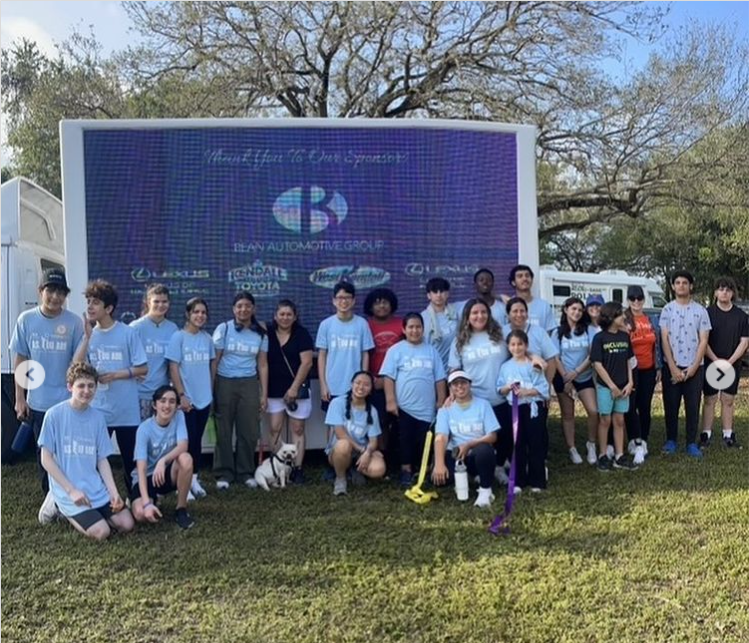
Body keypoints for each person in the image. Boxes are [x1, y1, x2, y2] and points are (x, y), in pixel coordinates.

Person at [37, 362, 135, 540]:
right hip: (68, 488)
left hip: (94, 487)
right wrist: (71, 490)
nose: (86, 391)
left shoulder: (98, 418)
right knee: (102, 532)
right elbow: (46, 459)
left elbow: (102, 460)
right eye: (81, 385)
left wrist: (114, 493)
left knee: (127, 524)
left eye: (91, 386)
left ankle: (94, 510)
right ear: (69, 387)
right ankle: (58, 505)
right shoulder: (53, 415)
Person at [10, 268, 84, 494]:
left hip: (66, 401)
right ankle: (49, 497)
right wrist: (20, 398)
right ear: (40, 291)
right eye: (50, 290)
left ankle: (67, 497)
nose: (55, 297)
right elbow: (21, 359)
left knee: (67, 452)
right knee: (45, 451)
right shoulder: (26, 320)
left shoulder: (74, 322)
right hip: (38, 401)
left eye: (61, 292)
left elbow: (78, 364)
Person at [73, 279, 148, 492]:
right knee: (94, 460)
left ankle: (135, 499)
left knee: (130, 462)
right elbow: (76, 367)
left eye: (95, 302)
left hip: (126, 412)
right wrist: (87, 338)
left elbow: (143, 369)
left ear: (109, 308)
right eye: (88, 301)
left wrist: (115, 375)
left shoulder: (127, 333)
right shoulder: (89, 334)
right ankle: (97, 501)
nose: (89, 306)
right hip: (98, 411)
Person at [379, 313, 447, 486]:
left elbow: (439, 378)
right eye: (411, 327)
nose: (415, 330)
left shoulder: (431, 351)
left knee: (424, 440)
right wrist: (390, 400)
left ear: (423, 329)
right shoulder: (396, 350)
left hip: (427, 408)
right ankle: (405, 470)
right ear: (404, 329)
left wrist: (441, 400)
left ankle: (422, 470)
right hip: (404, 407)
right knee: (404, 439)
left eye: (418, 327)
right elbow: (388, 378)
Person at [212, 291, 269, 489]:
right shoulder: (224, 329)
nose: (243, 309)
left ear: (253, 309)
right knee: (224, 430)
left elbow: (262, 364)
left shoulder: (260, 332)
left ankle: (245, 471)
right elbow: (215, 360)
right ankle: (224, 473)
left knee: (249, 430)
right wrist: (212, 388)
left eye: (247, 306)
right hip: (225, 382)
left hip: (249, 383)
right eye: (239, 306)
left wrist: (264, 393)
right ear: (233, 309)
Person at [166, 297, 216, 498]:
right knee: (185, 442)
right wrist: (181, 395)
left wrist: (210, 392)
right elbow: (173, 367)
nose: (200, 316)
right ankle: (181, 483)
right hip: (187, 401)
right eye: (196, 312)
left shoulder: (207, 339)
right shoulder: (178, 337)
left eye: (203, 312)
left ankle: (193, 479)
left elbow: (212, 365)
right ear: (188, 314)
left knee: (197, 442)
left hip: (204, 400)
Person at [659, 271, 711, 457]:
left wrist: (695, 366)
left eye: (685, 282)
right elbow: (664, 339)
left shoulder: (701, 311)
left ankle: (691, 442)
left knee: (693, 406)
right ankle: (671, 440)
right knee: (671, 405)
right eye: (678, 282)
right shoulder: (667, 310)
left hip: (695, 367)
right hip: (672, 366)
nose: (681, 285)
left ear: (691, 286)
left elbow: (703, 340)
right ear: (673, 286)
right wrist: (672, 367)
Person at [129, 385, 195, 530]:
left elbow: (183, 446)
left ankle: (181, 509)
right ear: (154, 405)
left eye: (172, 401)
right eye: (163, 401)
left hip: (165, 473)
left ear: (177, 406)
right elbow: (141, 469)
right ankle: (148, 500)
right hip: (146, 477)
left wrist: (163, 460)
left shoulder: (179, 417)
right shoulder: (144, 429)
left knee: (186, 458)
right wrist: (146, 504)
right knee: (140, 515)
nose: (167, 405)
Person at [431, 370, 500, 507]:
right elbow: (441, 437)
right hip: (456, 454)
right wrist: (439, 463)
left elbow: (493, 436)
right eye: (455, 384)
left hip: (476, 451)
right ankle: (469, 477)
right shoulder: (445, 409)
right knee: (441, 480)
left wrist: (469, 444)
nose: (460, 387)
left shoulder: (483, 405)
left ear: (470, 385)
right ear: (450, 388)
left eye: (463, 383)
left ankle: (486, 490)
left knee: (485, 450)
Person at [265, 299, 314, 484]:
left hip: (297, 390)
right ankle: (278, 467)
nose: (285, 318)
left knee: (297, 429)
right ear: (275, 316)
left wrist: (293, 388)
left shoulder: (301, 334)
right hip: (273, 389)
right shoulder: (267, 333)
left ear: (295, 317)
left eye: (289, 314)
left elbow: (307, 362)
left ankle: (297, 469)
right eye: (281, 314)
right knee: (274, 428)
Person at [497, 330, 551, 492]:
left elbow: (542, 387)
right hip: (514, 409)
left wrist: (527, 392)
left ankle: (537, 480)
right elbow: (499, 388)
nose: (516, 348)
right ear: (508, 347)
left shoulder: (533, 365)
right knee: (517, 443)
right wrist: (508, 388)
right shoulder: (505, 367)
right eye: (513, 344)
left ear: (526, 345)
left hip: (533, 408)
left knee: (535, 442)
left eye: (520, 344)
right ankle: (519, 480)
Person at [701, 277, 748, 448]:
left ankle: (728, 435)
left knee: (728, 400)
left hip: (732, 364)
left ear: (732, 293)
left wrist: (729, 362)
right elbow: (703, 341)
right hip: (711, 363)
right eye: (721, 289)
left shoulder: (741, 316)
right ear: (715, 292)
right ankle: (706, 434)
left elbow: (744, 342)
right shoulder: (706, 313)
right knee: (709, 400)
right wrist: (716, 360)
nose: (724, 292)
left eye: (728, 289)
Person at [552, 297, 599, 465]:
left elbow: (591, 355)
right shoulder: (557, 332)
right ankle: (572, 448)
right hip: (564, 378)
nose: (577, 312)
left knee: (593, 411)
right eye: (573, 309)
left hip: (584, 376)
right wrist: (566, 377)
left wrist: (577, 372)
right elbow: (555, 357)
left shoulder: (588, 330)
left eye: (580, 310)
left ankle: (591, 444)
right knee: (568, 415)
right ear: (565, 310)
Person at [590, 302, 637, 471]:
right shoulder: (599, 338)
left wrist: (630, 382)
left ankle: (619, 455)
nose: (624, 317)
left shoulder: (624, 337)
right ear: (610, 317)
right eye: (620, 314)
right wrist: (611, 386)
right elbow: (597, 364)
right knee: (605, 420)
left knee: (619, 420)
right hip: (606, 388)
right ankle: (602, 455)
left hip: (623, 387)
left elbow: (628, 361)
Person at [324, 371, 386, 496]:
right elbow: (340, 433)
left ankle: (354, 470)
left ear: (371, 389)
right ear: (351, 384)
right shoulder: (337, 403)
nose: (361, 387)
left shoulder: (372, 410)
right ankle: (341, 478)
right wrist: (363, 451)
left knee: (379, 469)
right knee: (343, 445)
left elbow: (374, 441)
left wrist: (368, 453)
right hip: (340, 451)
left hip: (360, 452)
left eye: (366, 385)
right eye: (358, 383)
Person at [316, 281, 374, 409]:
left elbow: (365, 354)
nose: (344, 301)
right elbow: (322, 356)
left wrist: (364, 382)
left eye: (347, 298)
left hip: (356, 386)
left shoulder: (362, 324)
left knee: (355, 421)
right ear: (334, 300)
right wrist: (323, 385)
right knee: (332, 424)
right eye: (340, 298)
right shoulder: (326, 325)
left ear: (353, 301)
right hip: (332, 385)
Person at [363, 287, 402, 463]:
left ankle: (400, 458)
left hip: (399, 382)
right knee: (379, 422)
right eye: (377, 303)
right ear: (370, 306)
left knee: (400, 422)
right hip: (375, 382)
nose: (381, 306)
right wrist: (371, 379)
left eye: (385, 302)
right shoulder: (365, 325)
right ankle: (381, 457)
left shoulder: (402, 324)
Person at [624, 285, 662, 464]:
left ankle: (643, 439)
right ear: (628, 300)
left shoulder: (651, 319)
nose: (636, 302)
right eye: (632, 298)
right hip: (631, 370)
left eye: (639, 298)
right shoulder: (624, 320)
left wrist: (659, 368)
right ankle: (634, 439)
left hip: (648, 369)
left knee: (645, 405)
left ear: (643, 300)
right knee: (630, 407)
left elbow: (658, 346)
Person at [130, 284, 178, 421]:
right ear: (148, 302)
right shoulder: (135, 328)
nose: (160, 305)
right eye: (156, 301)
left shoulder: (173, 328)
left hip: (162, 396)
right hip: (139, 395)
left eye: (164, 301)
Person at [420, 277, 459, 371]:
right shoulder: (422, 318)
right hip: (432, 368)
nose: (438, 295)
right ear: (428, 295)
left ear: (448, 294)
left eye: (442, 291)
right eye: (434, 292)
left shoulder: (456, 312)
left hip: (455, 368)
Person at [508, 264, 556, 333]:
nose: (524, 279)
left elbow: (550, 332)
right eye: (520, 276)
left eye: (527, 276)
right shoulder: (508, 305)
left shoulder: (544, 306)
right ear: (513, 282)